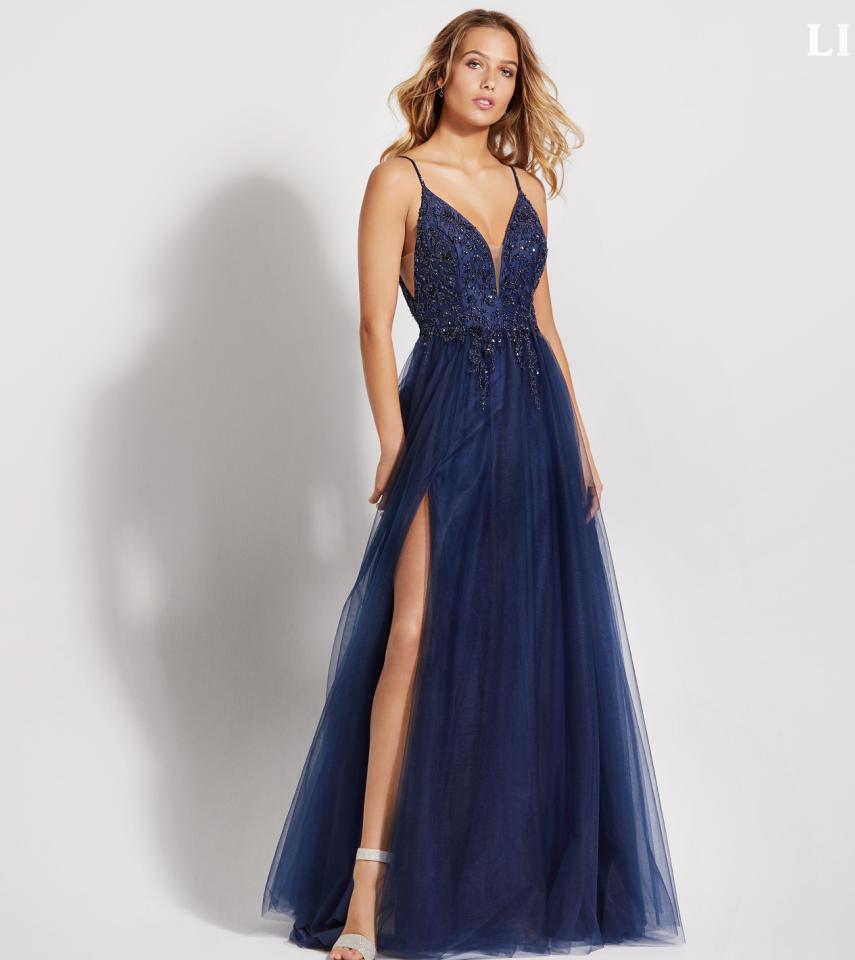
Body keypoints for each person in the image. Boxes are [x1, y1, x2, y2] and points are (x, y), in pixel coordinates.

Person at [262, 10, 685, 959]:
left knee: (524, 637)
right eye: (473, 64)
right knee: (412, 635)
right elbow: (374, 325)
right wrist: (391, 440)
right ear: (443, 72)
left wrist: (579, 438)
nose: (489, 84)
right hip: (446, 418)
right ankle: (368, 888)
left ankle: (504, 878)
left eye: (505, 71)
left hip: (536, 425)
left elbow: (545, 323)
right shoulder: (398, 179)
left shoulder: (528, 185)